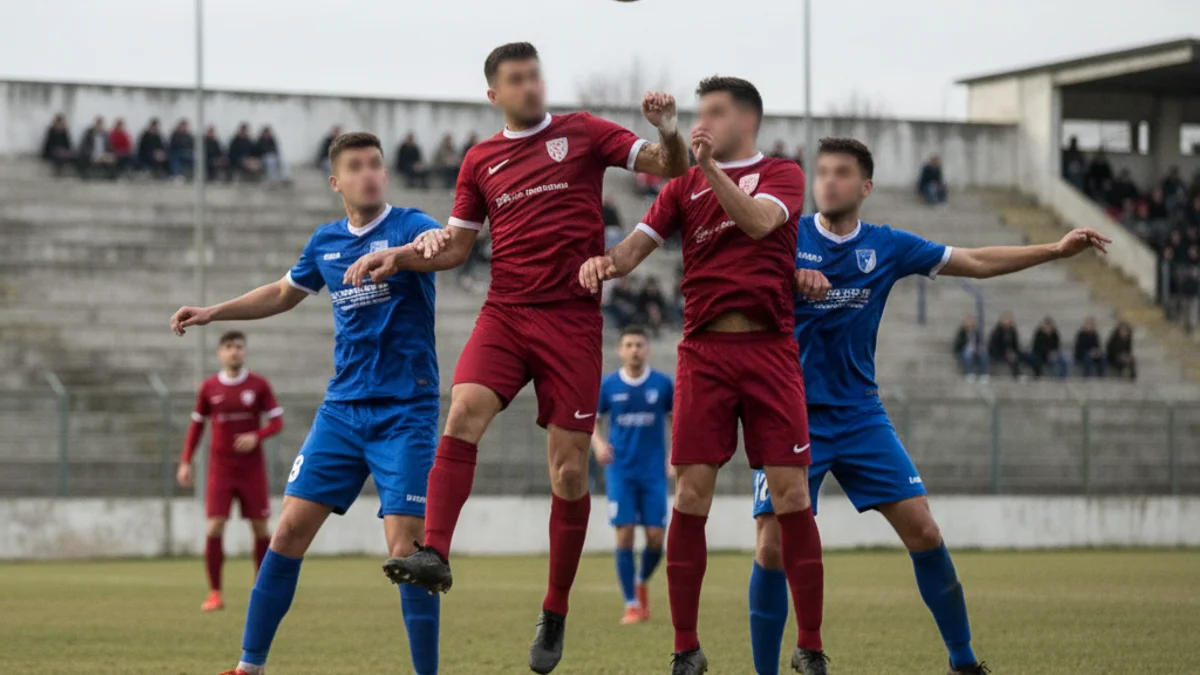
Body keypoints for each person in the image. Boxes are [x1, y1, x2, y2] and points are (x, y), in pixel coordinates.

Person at [341, 41, 687, 674]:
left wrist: (667, 127)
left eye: (535, 75)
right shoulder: (481, 160)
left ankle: (554, 609)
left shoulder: (584, 132)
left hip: (571, 321)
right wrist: (400, 256)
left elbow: (671, 166)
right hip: (505, 312)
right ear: (494, 94)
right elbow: (455, 248)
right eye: (517, 79)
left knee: (569, 473)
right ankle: (435, 553)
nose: (531, 86)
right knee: (462, 410)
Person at [744, 137, 1108, 675]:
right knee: (772, 546)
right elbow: (739, 291)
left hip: (860, 415)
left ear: (865, 186)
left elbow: (975, 261)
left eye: (842, 173)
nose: (828, 182)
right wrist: (786, 278)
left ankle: (963, 662)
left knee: (925, 532)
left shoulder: (887, 245)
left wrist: (1054, 250)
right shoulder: (784, 238)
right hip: (789, 413)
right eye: (822, 172)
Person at [169, 132, 444, 675]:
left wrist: (426, 244)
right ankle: (249, 667)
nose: (368, 173)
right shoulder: (326, 241)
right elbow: (281, 293)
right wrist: (213, 312)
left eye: (375, 164)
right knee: (289, 531)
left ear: (385, 174)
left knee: (408, 553)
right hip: (341, 411)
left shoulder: (409, 225)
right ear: (336, 181)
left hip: (405, 411)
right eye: (356, 166)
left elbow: (442, 242)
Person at [579, 76, 820, 675]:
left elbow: (759, 223)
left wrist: (708, 168)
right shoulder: (682, 186)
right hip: (704, 356)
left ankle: (810, 645)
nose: (702, 121)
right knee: (690, 496)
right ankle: (685, 646)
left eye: (714, 111)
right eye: (699, 112)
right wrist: (602, 264)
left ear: (747, 120)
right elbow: (634, 248)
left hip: (770, 351)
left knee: (791, 496)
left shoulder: (783, 173)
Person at [177, 331, 283, 612]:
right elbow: (197, 426)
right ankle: (215, 593)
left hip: (252, 469)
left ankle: (261, 591)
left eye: (238, 347)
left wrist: (256, 436)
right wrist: (185, 461)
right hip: (221, 470)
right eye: (228, 347)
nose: (234, 351)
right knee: (214, 525)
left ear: (244, 352)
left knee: (260, 527)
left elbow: (277, 422)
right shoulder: (209, 387)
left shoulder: (258, 385)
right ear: (220, 353)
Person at [590, 325, 673, 625]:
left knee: (656, 538)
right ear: (620, 350)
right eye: (629, 345)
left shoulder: (662, 384)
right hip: (621, 471)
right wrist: (599, 445)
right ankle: (632, 604)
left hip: (653, 472)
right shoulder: (609, 385)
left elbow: (676, 420)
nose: (634, 350)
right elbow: (593, 422)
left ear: (647, 348)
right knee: (624, 533)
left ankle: (639, 581)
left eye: (639, 344)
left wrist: (674, 455)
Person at [988, 312, 1025, 380]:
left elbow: (1015, 343)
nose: (1008, 321)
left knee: (1027, 356)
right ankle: (1017, 375)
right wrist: (1007, 352)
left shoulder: (1012, 330)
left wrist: (1015, 351)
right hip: (999, 352)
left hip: (1011, 351)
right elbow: (995, 345)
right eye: (1006, 319)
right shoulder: (997, 330)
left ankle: (1038, 373)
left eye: (1010, 319)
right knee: (1012, 357)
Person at [77, 116, 116, 180]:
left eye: (100, 124)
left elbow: (109, 147)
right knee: (82, 156)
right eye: (98, 123)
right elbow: (84, 146)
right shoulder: (89, 133)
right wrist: (92, 155)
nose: (99, 125)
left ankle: (112, 176)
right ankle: (84, 175)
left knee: (112, 158)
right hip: (91, 154)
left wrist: (108, 154)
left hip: (103, 156)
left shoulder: (105, 134)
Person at [953, 314, 988, 380]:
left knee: (983, 353)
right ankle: (969, 373)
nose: (970, 325)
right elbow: (959, 345)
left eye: (972, 323)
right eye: (968, 323)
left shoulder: (976, 333)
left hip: (975, 350)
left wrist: (977, 349)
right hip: (963, 351)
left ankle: (984, 374)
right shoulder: (962, 333)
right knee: (967, 352)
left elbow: (980, 343)